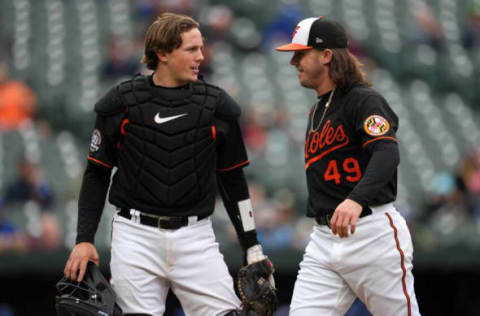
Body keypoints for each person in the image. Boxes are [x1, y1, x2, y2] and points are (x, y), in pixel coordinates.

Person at [63, 12, 273, 316]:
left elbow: (233, 182)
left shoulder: (217, 106)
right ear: (162, 53)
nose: (201, 56)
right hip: (135, 236)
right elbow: (96, 173)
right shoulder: (122, 101)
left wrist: (251, 244)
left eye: (201, 48)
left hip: (196, 236)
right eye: (191, 49)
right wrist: (84, 240)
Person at [275, 17, 421, 315]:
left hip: (371, 233)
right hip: (323, 240)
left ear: (326, 55)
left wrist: (356, 199)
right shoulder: (317, 109)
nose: (294, 62)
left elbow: (386, 154)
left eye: (300, 54)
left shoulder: (364, 100)